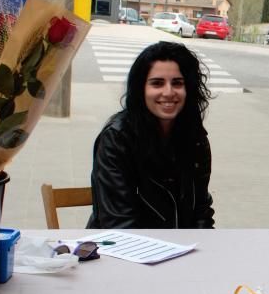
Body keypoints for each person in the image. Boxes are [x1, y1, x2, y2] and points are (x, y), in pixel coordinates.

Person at [88, 41, 215, 229]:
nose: (168, 92)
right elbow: (118, 223)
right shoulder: (117, 139)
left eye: (178, 83)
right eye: (157, 83)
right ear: (141, 89)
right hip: (125, 250)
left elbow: (201, 210)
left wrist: (205, 251)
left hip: (182, 249)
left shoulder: (195, 137)